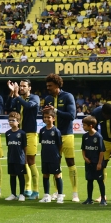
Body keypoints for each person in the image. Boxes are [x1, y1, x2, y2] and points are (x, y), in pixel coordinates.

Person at [42, 73, 79, 202]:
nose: (48, 88)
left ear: (57, 85)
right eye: (47, 85)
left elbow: (72, 115)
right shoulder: (48, 99)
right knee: (54, 165)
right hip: (52, 137)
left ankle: (75, 193)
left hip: (66, 134)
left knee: (70, 163)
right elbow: (47, 115)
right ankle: (57, 192)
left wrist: (56, 111)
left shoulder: (68, 96)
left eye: (50, 86)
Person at [7, 79, 40, 199]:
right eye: (20, 86)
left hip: (30, 133)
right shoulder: (17, 98)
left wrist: (16, 96)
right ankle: (27, 188)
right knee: (22, 162)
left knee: (30, 161)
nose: (21, 88)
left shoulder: (34, 98)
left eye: (24, 86)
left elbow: (28, 106)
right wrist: (11, 94)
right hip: (19, 134)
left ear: (29, 88)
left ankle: (35, 191)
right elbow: (9, 108)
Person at [38, 107, 63, 203]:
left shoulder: (56, 131)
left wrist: (58, 156)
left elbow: (60, 145)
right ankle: (46, 195)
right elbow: (42, 143)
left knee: (57, 175)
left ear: (53, 118)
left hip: (54, 157)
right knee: (45, 175)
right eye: (45, 117)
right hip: (45, 156)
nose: (46, 119)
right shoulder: (42, 130)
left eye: (49, 117)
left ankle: (60, 195)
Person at [81, 115, 106, 205]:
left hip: (96, 163)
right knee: (89, 180)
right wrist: (84, 157)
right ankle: (89, 198)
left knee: (100, 181)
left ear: (91, 125)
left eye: (84, 125)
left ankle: (103, 199)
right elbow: (83, 148)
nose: (83, 127)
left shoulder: (98, 137)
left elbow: (101, 151)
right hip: (88, 162)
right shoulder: (85, 136)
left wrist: (99, 163)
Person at [4, 111, 27, 201]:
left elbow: (25, 147)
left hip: (20, 158)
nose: (11, 122)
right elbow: (8, 145)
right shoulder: (7, 133)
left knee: (20, 176)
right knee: (12, 176)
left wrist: (25, 158)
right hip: (11, 157)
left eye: (13, 120)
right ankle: (13, 194)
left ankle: (22, 194)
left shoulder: (22, 133)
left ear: (18, 121)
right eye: (9, 120)